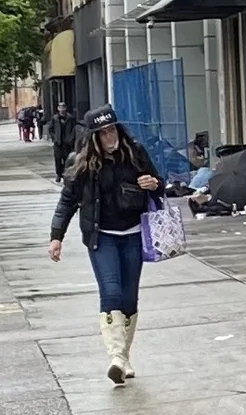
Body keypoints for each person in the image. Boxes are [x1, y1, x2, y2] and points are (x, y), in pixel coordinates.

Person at [47, 107, 161, 386]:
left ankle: (124, 357)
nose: (110, 136)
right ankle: (116, 357)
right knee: (110, 291)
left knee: (129, 297)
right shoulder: (81, 163)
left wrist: (153, 184)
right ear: (93, 137)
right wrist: (56, 235)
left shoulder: (135, 153)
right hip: (102, 236)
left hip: (133, 233)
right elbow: (67, 202)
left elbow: (160, 187)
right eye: (103, 133)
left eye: (112, 130)